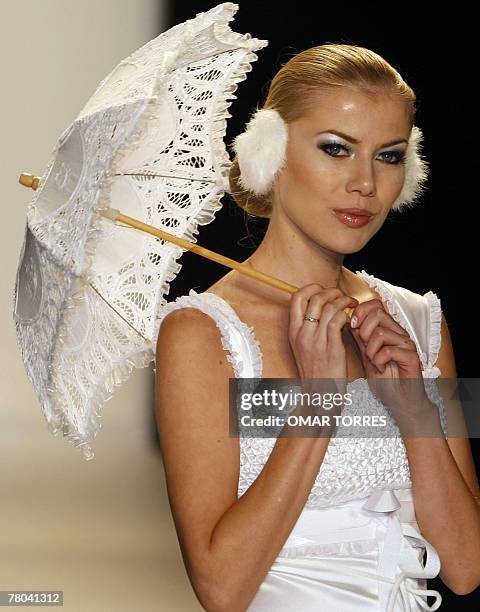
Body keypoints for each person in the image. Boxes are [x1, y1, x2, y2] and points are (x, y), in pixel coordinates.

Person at [155, 44, 480, 611]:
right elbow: (219, 590)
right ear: (270, 154)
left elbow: (466, 570)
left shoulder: (421, 322)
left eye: (390, 156)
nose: (365, 184)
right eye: (336, 149)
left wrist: (413, 409)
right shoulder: (201, 334)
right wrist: (318, 401)